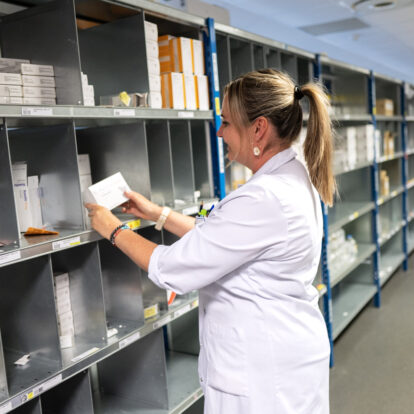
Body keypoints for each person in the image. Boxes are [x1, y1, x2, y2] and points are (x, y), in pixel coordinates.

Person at [86, 68, 335, 414]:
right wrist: (156, 212)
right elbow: (219, 239)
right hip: (286, 356)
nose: (220, 133)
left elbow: (170, 267)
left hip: (263, 375)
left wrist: (113, 228)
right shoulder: (292, 175)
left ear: (259, 128)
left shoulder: (263, 197)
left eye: (227, 123)